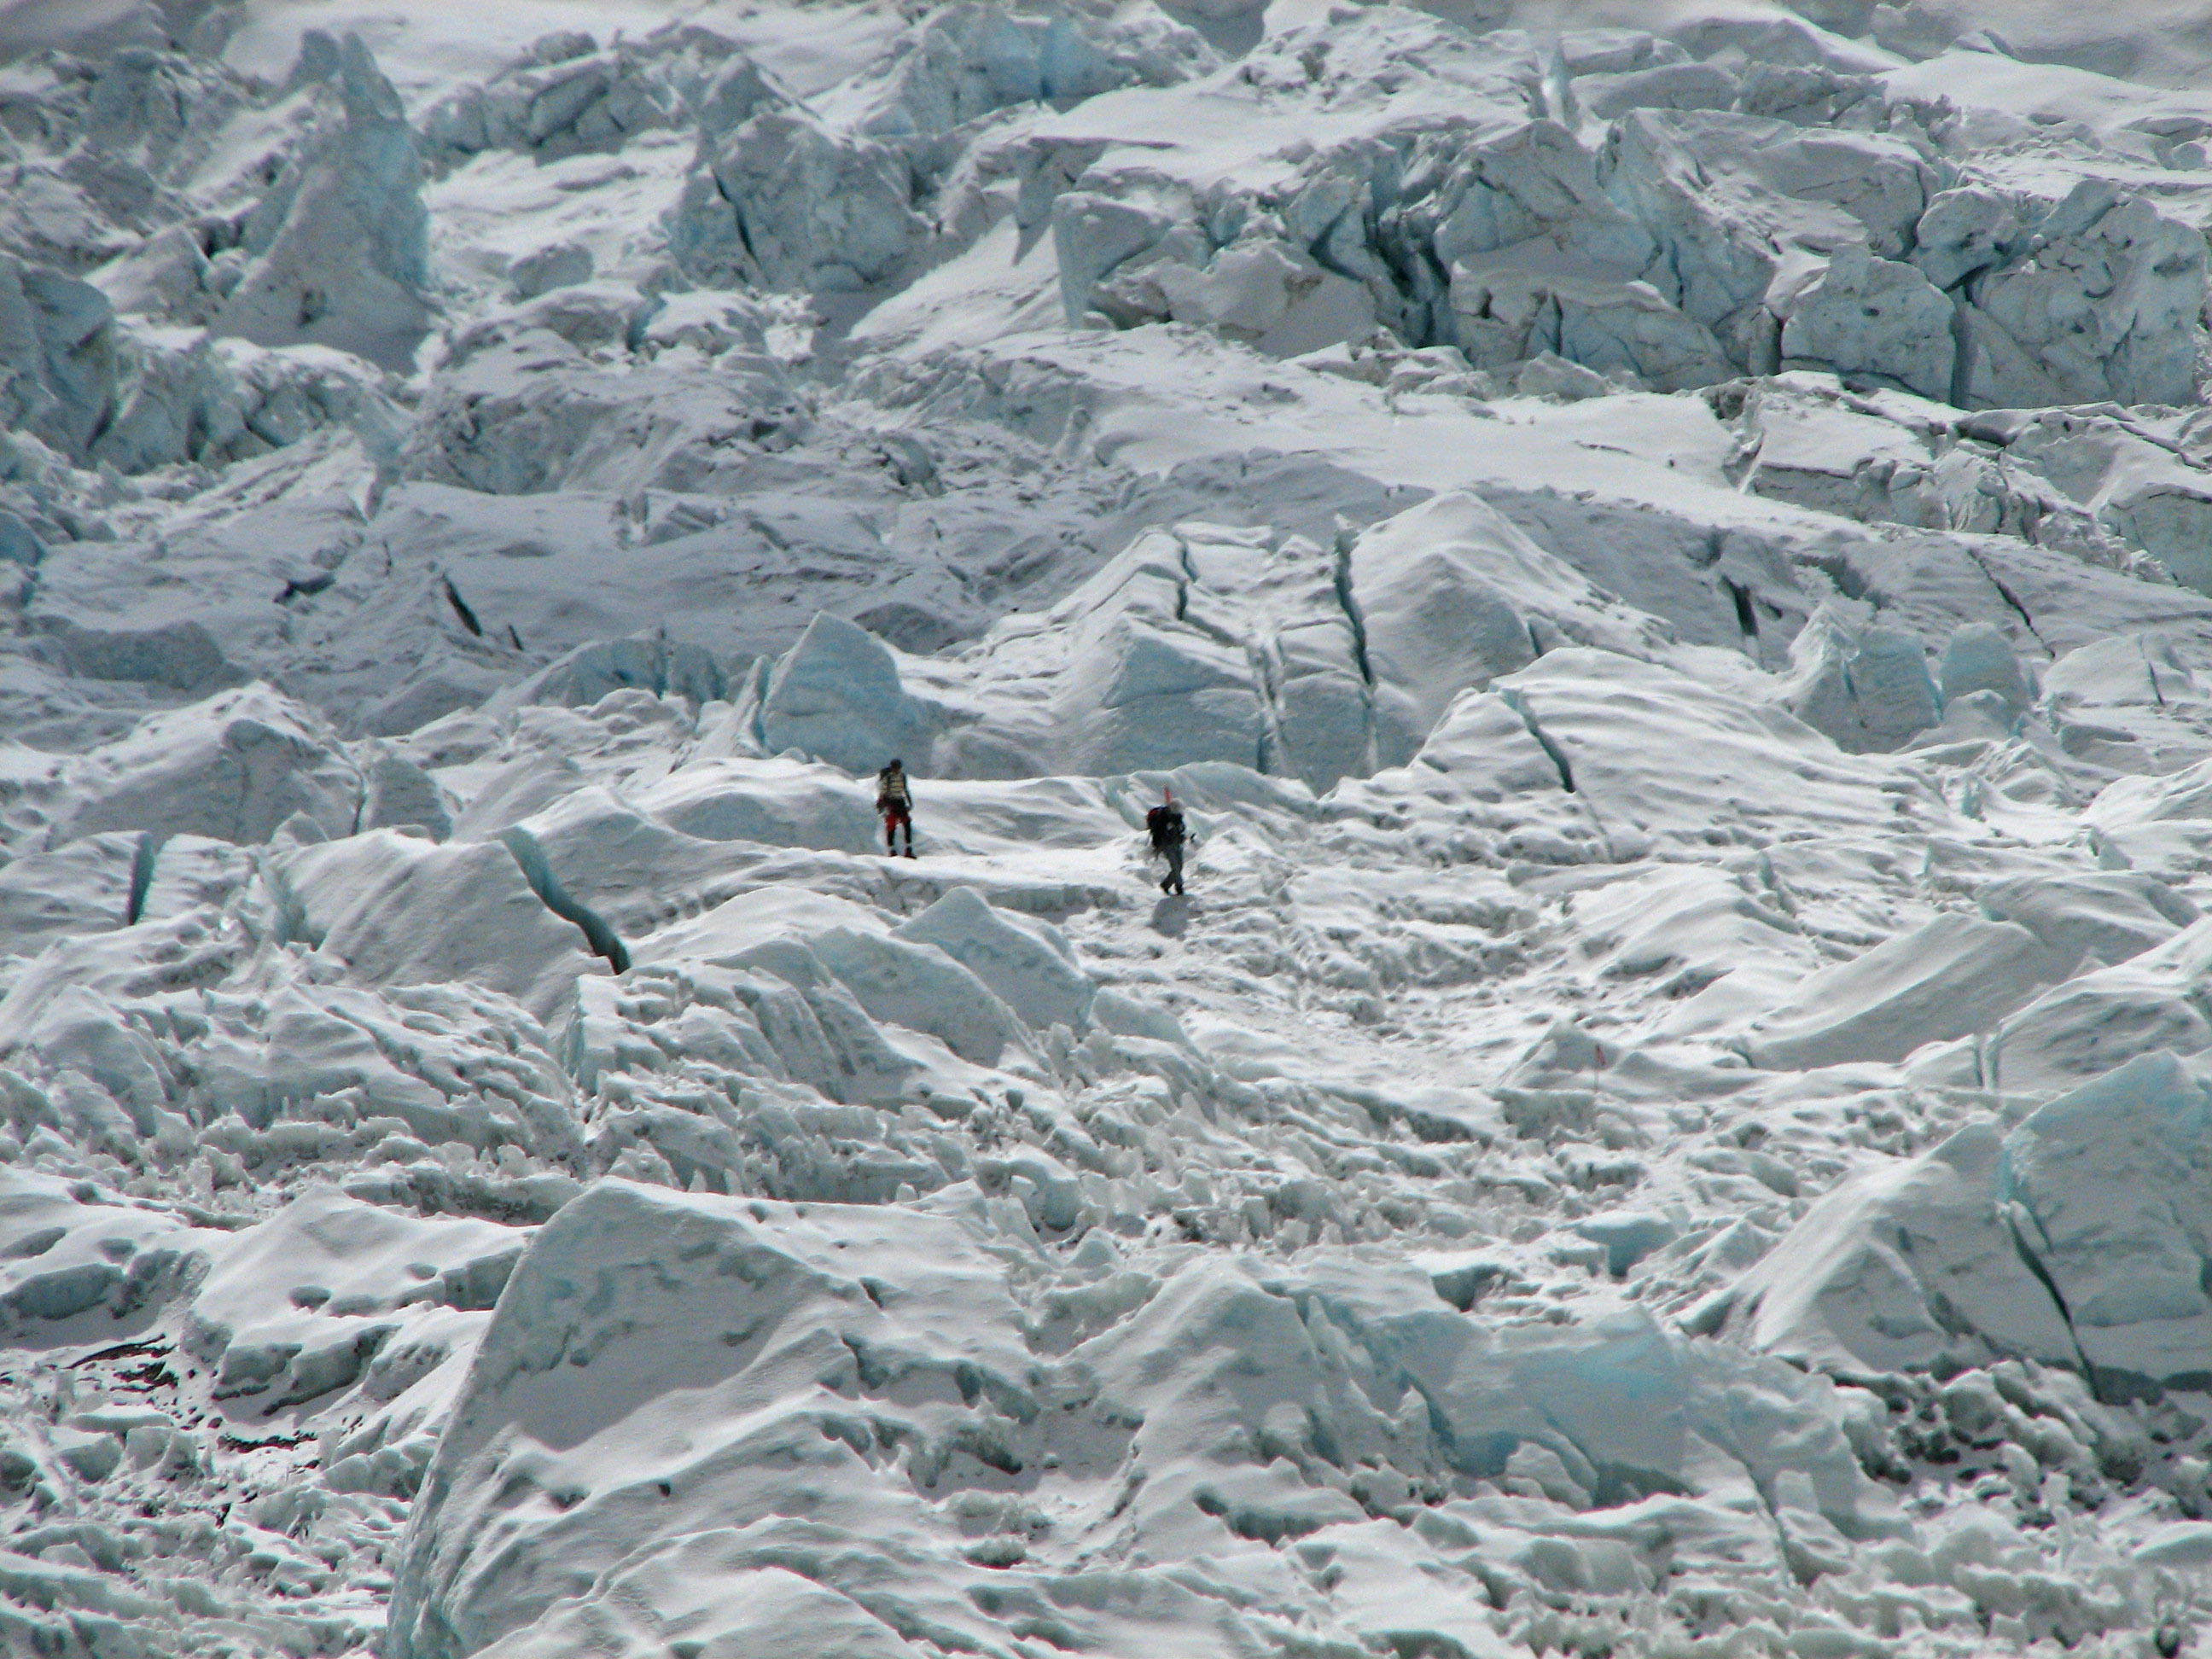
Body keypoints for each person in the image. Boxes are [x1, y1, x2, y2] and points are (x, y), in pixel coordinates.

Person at [1145, 787, 1186, 894]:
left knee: (1180, 865)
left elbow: (1181, 829)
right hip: (1166, 844)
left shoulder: (1177, 817)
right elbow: (1161, 832)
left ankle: (1166, 884)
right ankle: (1179, 887)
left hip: (1175, 843)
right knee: (1176, 866)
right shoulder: (1163, 818)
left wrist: (1180, 836)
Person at [876, 759, 915, 858]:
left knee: (907, 824)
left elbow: (905, 789)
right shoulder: (888, 778)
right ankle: (892, 850)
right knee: (891, 826)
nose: (896, 770)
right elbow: (883, 792)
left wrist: (909, 802)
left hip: (899, 802)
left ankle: (908, 849)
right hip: (891, 802)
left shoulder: (902, 777)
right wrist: (882, 804)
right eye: (895, 768)